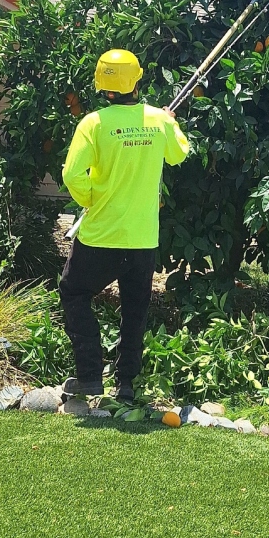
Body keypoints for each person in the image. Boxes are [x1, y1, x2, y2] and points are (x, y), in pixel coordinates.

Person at [59, 49, 189, 403]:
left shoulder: (93, 123)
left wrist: (91, 199)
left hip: (100, 236)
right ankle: (125, 384)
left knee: (74, 292)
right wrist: (170, 121)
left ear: (103, 86)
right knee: (134, 309)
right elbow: (179, 154)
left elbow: (72, 174)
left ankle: (89, 376)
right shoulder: (158, 121)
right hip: (142, 238)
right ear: (136, 80)